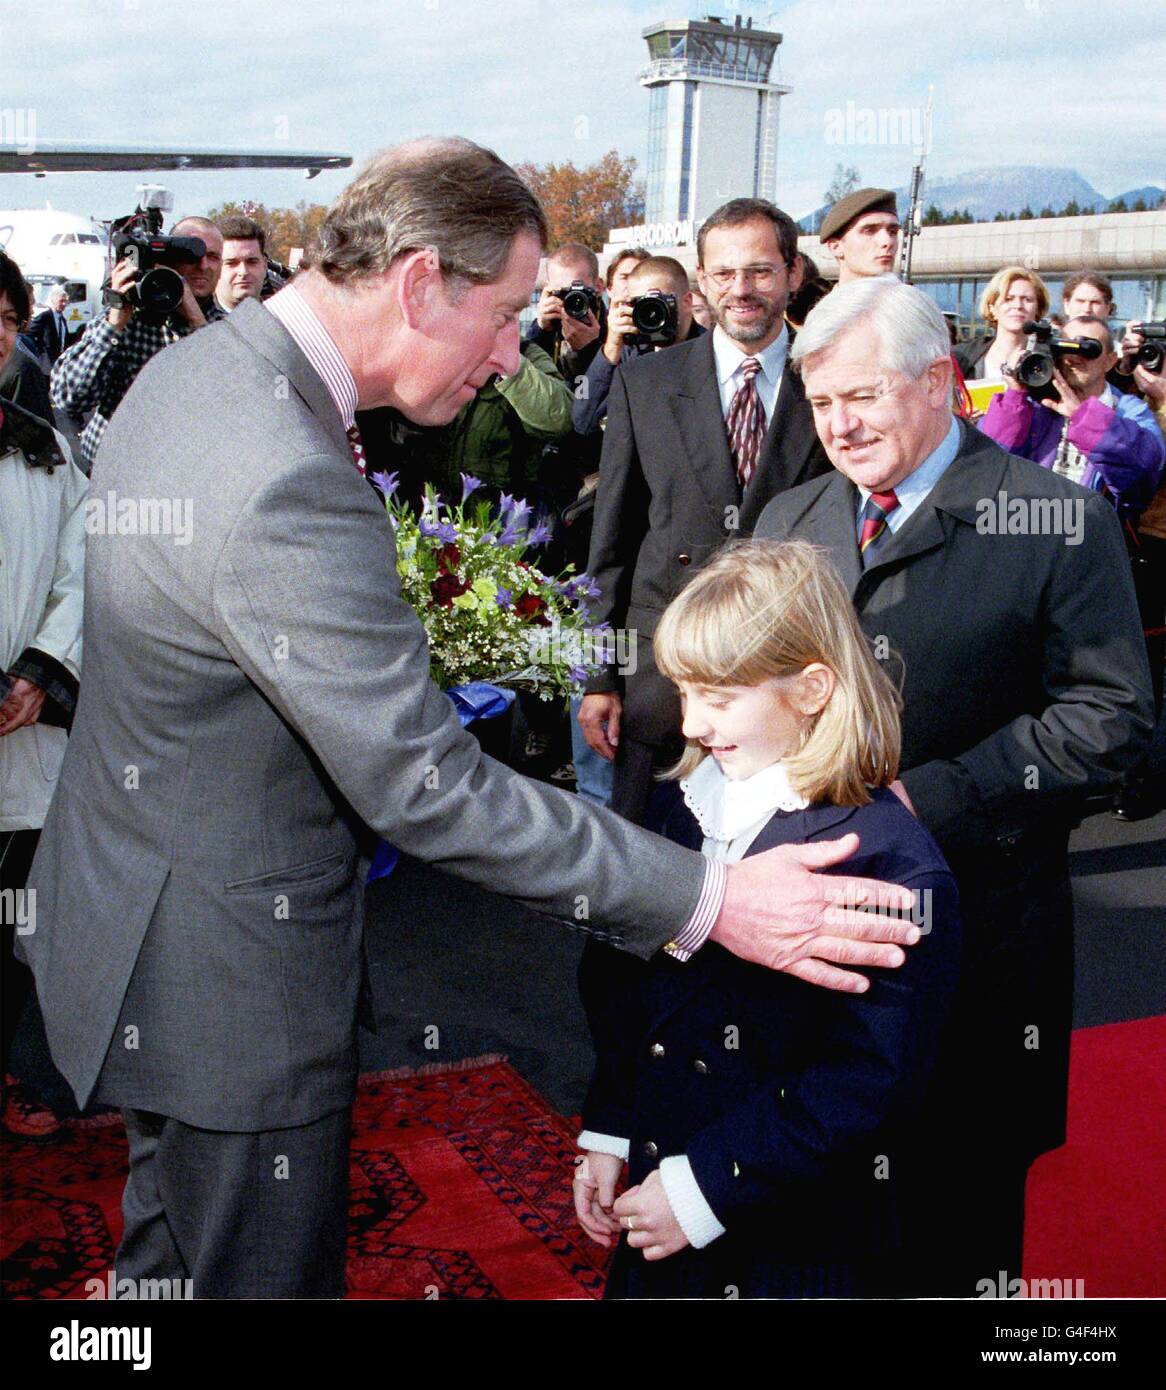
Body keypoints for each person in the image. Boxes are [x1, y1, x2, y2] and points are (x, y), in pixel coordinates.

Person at [17, 141, 918, 1299]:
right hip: (229, 978)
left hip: (150, 922)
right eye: (500, 316)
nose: (510, 356)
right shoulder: (281, 466)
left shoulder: (207, 370)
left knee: (165, 1269)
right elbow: (424, 786)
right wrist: (710, 899)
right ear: (417, 280)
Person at [755, 275, 1154, 1294]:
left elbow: (1109, 721)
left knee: (953, 1237)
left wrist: (926, 798)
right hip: (807, 949)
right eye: (820, 402)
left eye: (862, 396)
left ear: (938, 381)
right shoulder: (789, 519)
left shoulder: (1053, 521)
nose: (838, 426)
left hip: (979, 957)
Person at [573, 539, 960, 1298]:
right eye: (683, 692)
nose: (690, 724)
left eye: (719, 699)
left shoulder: (891, 865)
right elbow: (622, 985)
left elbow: (866, 1083)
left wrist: (705, 1188)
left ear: (813, 688)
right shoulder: (671, 807)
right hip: (657, 1199)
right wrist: (610, 1128)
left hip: (789, 1239)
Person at [578, 197, 830, 826]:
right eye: (724, 274)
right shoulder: (648, 384)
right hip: (663, 684)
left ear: (793, 274)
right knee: (645, 879)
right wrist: (598, 676)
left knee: (766, 878)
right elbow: (610, 542)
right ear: (701, 283)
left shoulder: (826, 383)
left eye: (761, 271)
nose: (741, 290)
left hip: (784, 687)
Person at [0, 251, 87, 1141]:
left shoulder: (46, 450)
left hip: (24, 735)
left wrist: (37, 673)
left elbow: (83, 571)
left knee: (13, 934)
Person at [50, 216, 226, 470]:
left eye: (213, 256)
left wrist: (196, 324)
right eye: (191, 255)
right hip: (111, 471)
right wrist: (114, 323)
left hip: (188, 474)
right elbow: (69, 397)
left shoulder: (227, 329)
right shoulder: (128, 317)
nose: (203, 265)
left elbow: (230, 401)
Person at [979, 314, 1165, 521]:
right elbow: (988, 462)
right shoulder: (1034, 405)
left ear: (1110, 361)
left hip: (1091, 536)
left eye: (1089, 350)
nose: (1074, 358)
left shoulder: (1129, 411)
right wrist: (1015, 396)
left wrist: (1083, 416)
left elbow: (1142, 476)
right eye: (1065, 348)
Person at [952, 264, 1051, 382]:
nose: (1018, 306)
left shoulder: (1047, 361)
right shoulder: (962, 357)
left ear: (1038, 309)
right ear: (992, 307)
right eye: (1008, 299)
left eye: (1027, 299)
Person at [818, 188, 901, 284]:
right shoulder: (831, 299)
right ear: (836, 247)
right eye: (870, 231)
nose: (887, 241)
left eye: (893, 232)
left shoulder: (910, 298)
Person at [215, 215, 270, 312]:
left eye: (252, 262)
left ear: (265, 266)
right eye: (231, 263)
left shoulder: (283, 321)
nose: (243, 272)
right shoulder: (196, 323)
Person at [26, 285, 75, 365]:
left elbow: (64, 339)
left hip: (59, 359)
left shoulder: (63, 320)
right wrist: (40, 350)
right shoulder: (45, 317)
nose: (64, 304)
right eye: (61, 301)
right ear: (53, 301)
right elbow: (29, 332)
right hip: (46, 361)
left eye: (66, 301)